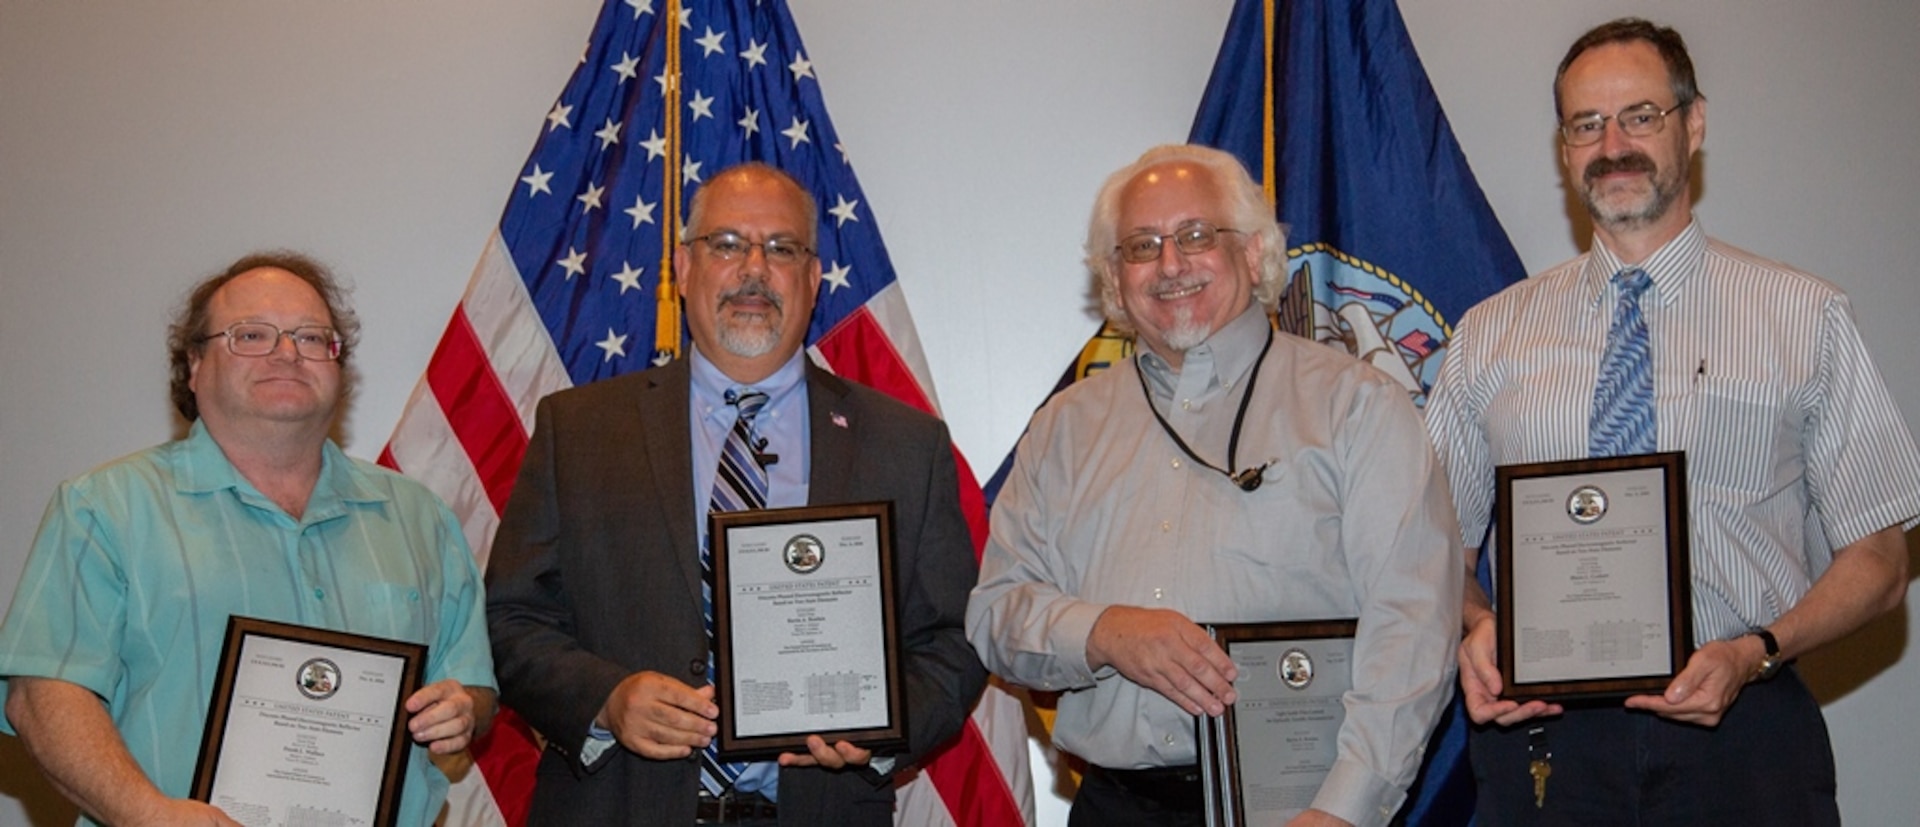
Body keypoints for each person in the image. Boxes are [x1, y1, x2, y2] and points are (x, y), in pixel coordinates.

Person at [1424, 18, 1920, 826]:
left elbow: (1880, 557)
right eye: (1587, 124)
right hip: (1547, 741)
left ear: (1693, 123)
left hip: (1744, 731)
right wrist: (1475, 630)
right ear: (1564, 147)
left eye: (1641, 115)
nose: (1613, 143)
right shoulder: (1490, 333)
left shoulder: (1804, 316)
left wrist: (1755, 650)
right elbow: (1431, 544)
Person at [968, 144, 1463, 827]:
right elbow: (995, 614)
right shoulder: (1065, 426)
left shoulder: (1357, 406)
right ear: (1115, 278)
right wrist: (1104, 632)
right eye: (1142, 245)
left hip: (1300, 808)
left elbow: (1414, 626)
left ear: (1255, 254)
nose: (1170, 264)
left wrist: (1345, 809)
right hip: (1116, 808)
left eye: (1197, 236)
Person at [484, 162, 986, 825]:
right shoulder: (577, 429)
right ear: (685, 269)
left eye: (782, 248)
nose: (755, 268)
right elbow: (511, 619)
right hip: (618, 807)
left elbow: (955, 641)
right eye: (727, 244)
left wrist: (879, 727)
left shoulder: (906, 444)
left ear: (812, 280)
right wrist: (606, 699)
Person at [0, 252, 496, 826]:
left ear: (339, 365)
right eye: (251, 335)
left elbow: (474, 690)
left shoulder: (421, 519)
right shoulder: (104, 507)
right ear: (193, 365)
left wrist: (463, 710)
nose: (287, 352)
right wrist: (148, 814)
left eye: (312, 338)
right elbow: (43, 698)